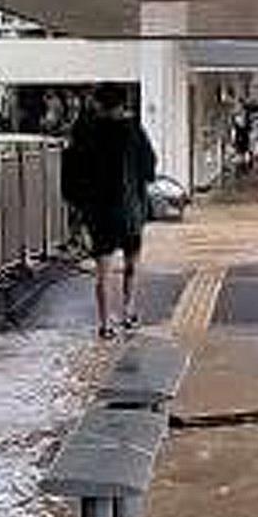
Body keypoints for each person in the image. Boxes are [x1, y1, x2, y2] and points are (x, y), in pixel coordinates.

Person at [62, 83, 156, 339]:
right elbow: (150, 169)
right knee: (131, 266)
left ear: (99, 104)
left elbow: (70, 171)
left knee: (103, 271)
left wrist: (78, 205)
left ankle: (104, 325)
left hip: (99, 212)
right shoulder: (134, 131)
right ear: (122, 104)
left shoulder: (84, 131)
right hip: (131, 211)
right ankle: (128, 312)